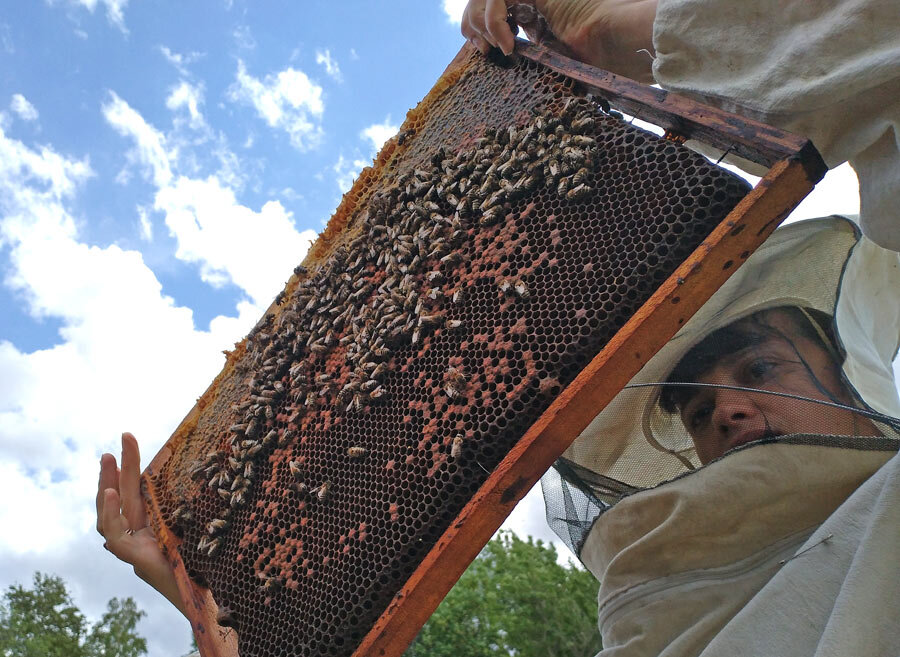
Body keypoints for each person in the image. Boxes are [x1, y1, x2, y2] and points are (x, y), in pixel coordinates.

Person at [98, 1, 900, 654]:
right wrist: (218, 600)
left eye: (760, 371)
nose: (723, 412)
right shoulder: (652, 618)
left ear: (850, 377)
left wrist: (614, 32)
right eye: (694, 409)